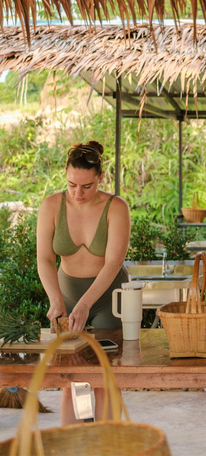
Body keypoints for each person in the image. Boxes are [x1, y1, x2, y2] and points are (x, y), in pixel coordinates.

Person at [36, 141, 131, 424]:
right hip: (65, 295)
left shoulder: (116, 208)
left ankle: (106, 447)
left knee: (104, 379)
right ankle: (74, 447)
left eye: (86, 186)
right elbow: (44, 259)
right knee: (72, 380)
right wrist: (56, 300)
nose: (78, 193)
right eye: (71, 184)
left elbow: (113, 263)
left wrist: (86, 304)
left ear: (100, 178)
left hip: (106, 297)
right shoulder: (51, 206)